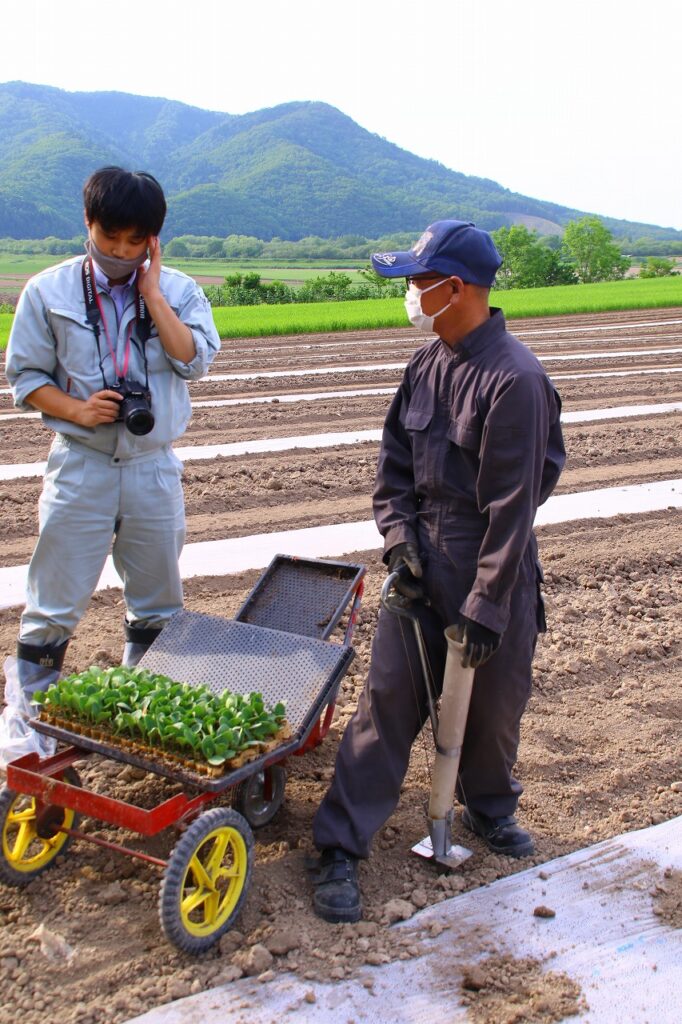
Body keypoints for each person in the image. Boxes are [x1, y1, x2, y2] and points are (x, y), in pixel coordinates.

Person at [310, 220, 566, 923]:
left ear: (456, 289)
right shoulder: (426, 364)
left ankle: (487, 809)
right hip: (423, 555)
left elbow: (514, 510)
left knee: (493, 707)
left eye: (420, 283)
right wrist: (398, 542)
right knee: (387, 702)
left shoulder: (516, 380)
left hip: (491, 561)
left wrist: (487, 605)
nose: (412, 295)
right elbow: (392, 467)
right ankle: (339, 846)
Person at [1, 166, 220, 762]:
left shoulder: (179, 291)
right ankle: (30, 737)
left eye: (135, 240)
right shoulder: (48, 292)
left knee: (156, 602)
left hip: (152, 466)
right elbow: (24, 377)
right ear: (87, 224)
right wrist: (76, 407)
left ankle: (135, 719)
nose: (121, 252)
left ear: (153, 238)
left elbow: (193, 360)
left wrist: (150, 293)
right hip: (82, 464)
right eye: (110, 237)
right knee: (52, 605)